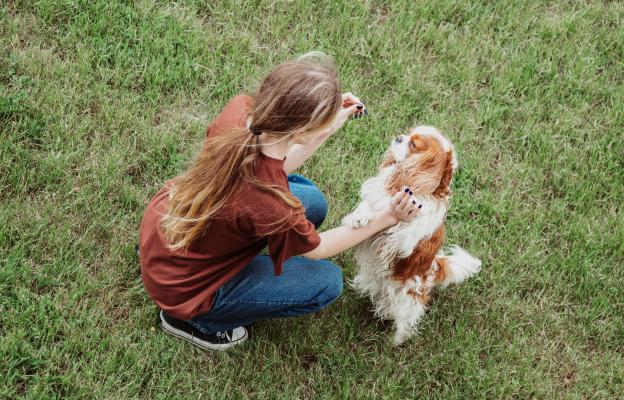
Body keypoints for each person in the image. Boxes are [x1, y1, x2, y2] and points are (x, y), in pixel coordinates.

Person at [139, 52, 420, 351]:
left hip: (165, 233)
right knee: (326, 281)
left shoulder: (243, 113)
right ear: (299, 131)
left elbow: (276, 164)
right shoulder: (269, 201)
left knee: (312, 202)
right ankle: (197, 323)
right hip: (184, 290)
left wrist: (328, 125)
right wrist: (387, 217)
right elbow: (318, 249)